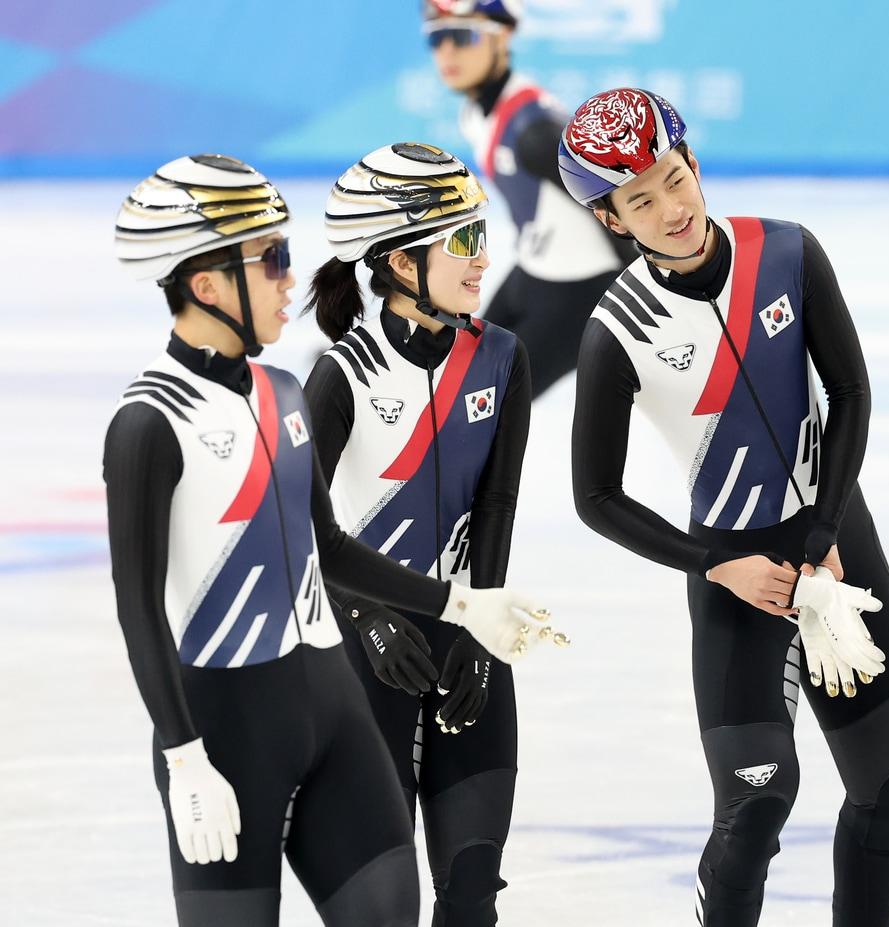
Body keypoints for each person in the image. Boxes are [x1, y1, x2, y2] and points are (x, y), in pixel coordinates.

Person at [105, 153, 563, 926]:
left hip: (336, 700)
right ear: (207, 284)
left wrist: (467, 610)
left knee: (435, 900)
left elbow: (342, 543)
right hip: (257, 706)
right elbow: (139, 608)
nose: (292, 276)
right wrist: (184, 753)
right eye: (273, 258)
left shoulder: (280, 390)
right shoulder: (156, 420)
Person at [560, 88, 889, 927]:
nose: (670, 208)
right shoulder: (615, 331)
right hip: (733, 571)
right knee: (759, 799)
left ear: (694, 164)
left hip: (837, 545)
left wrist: (827, 533)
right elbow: (594, 496)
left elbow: (852, 391)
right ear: (614, 221)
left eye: (672, 178)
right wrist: (717, 565)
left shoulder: (787, 252)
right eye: (639, 201)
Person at [302, 141, 534, 926]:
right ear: (402, 264)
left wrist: (482, 627)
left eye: (482, 232)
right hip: (370, 662)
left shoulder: (501, 356)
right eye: (463, 240)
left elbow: (498, 501)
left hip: (469, 648)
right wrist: (365, 618)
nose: (482, 257)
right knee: (382, 908)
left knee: (471, 897)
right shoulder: (344, 374)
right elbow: (298, 525)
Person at [425, 0, 631, 398]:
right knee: (458, 375)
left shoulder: (534, 131)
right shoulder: (476, 113)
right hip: (534, 271)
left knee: (487, 404)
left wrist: (645, 287)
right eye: (436, 39)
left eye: (461, 35)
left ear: (502, 37)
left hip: (581, 292)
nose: (447, 52)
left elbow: (617, 202)